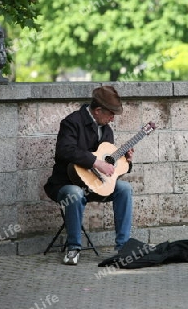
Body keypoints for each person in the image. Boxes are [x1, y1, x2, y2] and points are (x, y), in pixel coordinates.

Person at [44, 85, 134, 265]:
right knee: (74, 193)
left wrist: (126, 161)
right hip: (65, 183)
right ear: (98, 110)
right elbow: (64, 151)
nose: (113, 119)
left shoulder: (106, 129)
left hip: (95, 184)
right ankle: (73, 248)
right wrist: (96, 162)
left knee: (125, 188)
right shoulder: (71, 122)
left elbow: (107, 164)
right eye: (110, 114)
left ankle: (122, 247)